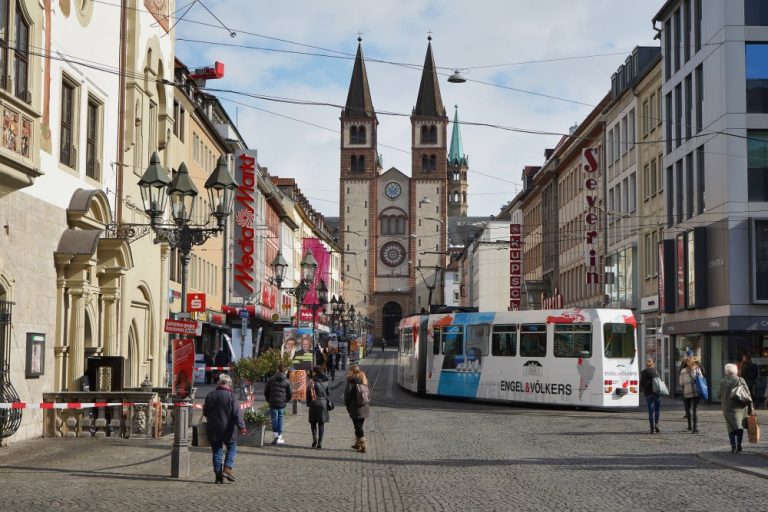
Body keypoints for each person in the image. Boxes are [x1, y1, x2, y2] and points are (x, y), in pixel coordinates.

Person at [202, 373, 246, 484]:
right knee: (232, 447)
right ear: (228, 384)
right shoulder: (232, 397)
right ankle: (227, 468)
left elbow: (205, 412)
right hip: (228, 429)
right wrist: (242, 427)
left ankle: (218, 475)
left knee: (217, 450)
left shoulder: (210, 395)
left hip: (213, 428)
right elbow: (237, 414)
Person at [718, 363, 754, 454]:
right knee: (739, 426)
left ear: (726, 372)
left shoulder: (722, 381)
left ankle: (733, 447)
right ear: (735, 371)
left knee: (730, 427)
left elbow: (719, 395)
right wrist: (751, 408)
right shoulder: (740, 380)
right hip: (739, 408)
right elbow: (748, 395)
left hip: (726, 408)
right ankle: (739, 445)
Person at [344, 365, 371, 453]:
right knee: (359, 425)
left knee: (358, 426)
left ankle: (363, 443)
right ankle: (357, 443)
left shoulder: (351, 381)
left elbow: (347, 395)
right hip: (364, 406)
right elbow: (369, 393)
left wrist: (347, 405)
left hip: (355, 407)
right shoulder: (364, 379)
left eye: (349, 371)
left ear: (352, 371)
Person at [264, 364, 293, 445]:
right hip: (282, 402)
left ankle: (275, 435)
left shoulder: (271, 379)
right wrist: (286, 400)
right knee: (280, 418)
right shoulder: (287, 380)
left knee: (274, 418)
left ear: (277, 369)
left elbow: (266, 391)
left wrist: (268, 400)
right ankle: (279, 436)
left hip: (272, 402)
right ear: (285, 371)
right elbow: (290, 393)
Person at [306, 366, 331, 449]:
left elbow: (309, 393)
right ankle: (320, 442)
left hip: (314, 403)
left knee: (313, 423)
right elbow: (328, 393)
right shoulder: (326, 380)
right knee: (321, 423)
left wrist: (308, 404)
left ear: (315, 372)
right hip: (323, 403)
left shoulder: (312, 381)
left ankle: (314, 439)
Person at [679, 357, 703, 433]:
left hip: (686, 392)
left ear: (686, 363)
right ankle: (695, 427)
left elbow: (681, 383)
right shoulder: (697, 369)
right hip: (696, 392)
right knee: (695, 410)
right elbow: (701, 378)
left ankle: (689, 426)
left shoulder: (683, 371)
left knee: (688, 409)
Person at [639, 358, 661, 434]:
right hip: (656, 393)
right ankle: (656, 424)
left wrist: (644, 389)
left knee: (651, 411)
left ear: (646, 364)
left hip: (648, 394)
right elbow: (659, 382)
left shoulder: (643, 373)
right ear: (653, 364)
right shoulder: (655, 372)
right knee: (657, 410)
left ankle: (651, 428)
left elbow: (641, 384)